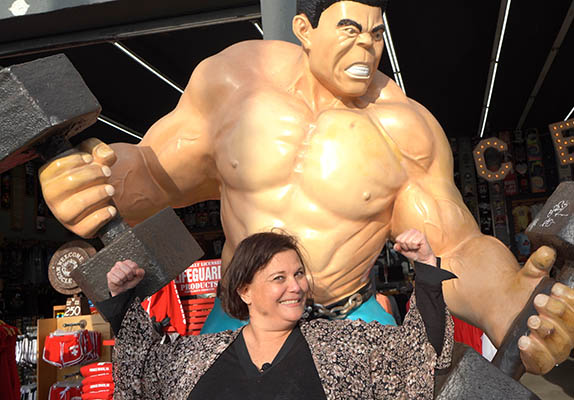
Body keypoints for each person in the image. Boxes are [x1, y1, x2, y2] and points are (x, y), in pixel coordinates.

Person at [38, 0, 574, 374]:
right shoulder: (236, 82)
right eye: (349, 30)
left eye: (375, 33)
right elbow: (155, 174)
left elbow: (453, 247)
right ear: (304, 29)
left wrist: (506, 298)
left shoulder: (403, 127)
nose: (366, 46)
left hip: (347, 322)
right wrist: (94, 180)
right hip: (239, 319)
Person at [100, 229, 455, 399]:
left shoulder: (343, 348)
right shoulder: (196, 358)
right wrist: (121, 297)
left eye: (299, 274)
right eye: (279, 278)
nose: (296, 287)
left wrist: (425, 267)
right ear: (245, 291)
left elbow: (419, 353)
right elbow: (140, 370)